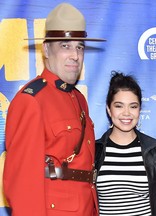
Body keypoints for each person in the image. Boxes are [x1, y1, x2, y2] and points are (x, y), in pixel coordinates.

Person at [3, 3, 105, 216]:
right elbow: (22, 185)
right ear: (46, 50)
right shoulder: (31, 100)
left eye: (80, 47)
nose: (75, 55)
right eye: (65, 45)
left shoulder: (78, 99)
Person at [95, 71, 156, 216]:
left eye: (133, 106)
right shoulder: (94, 151)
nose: (126, 113)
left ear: (140, 110)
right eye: (119, 106)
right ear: (108, 109)